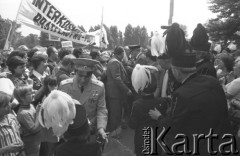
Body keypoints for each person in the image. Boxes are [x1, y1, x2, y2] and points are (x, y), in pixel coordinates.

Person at [149, 51, 233, 155]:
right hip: (224, 141)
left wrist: (159, 117)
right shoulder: (212, 81)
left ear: (177, 71)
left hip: (201, 146)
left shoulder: (180, 94)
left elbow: (174, 127)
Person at [59, 58, 108, 142]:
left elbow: (101, 109)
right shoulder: (65, 86)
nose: (83, 79)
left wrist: (101, 128)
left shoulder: (99, 87)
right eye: (80, 75)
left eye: (87, 76)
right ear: (75, 72)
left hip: (90, 130)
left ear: (92, 74)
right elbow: (60, 109)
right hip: (70, 131)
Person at [129, 64, 161, 156]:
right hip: (156, 137)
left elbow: (132, 124)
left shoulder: (137, 104)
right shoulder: (160, 102)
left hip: (142, 139)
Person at [106, 46, 132, 137]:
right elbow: (117, 78)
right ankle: (114, 133)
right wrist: (126, 89)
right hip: (115, 92)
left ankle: (115, 131)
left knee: (117, 112)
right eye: (124, 53)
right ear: (121, 53)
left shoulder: (115, 61)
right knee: (116, 113)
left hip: (116, 92)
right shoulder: (114, 62)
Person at [14, 84, 42, 156]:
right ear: (22, 98)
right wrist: (38, 112)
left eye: (33, 92)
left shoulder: (31, 106)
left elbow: (36, 120)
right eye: (30, 94)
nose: (33, 94)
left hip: (37, 141)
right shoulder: (23, 113)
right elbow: (34, 129)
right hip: (31, 145)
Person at [0, 78, 25, 156]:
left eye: (9, 103)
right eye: (5, 105)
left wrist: (22, 148)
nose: (9, 106)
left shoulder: (11, 117)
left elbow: (18, 135)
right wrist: (5, 150)